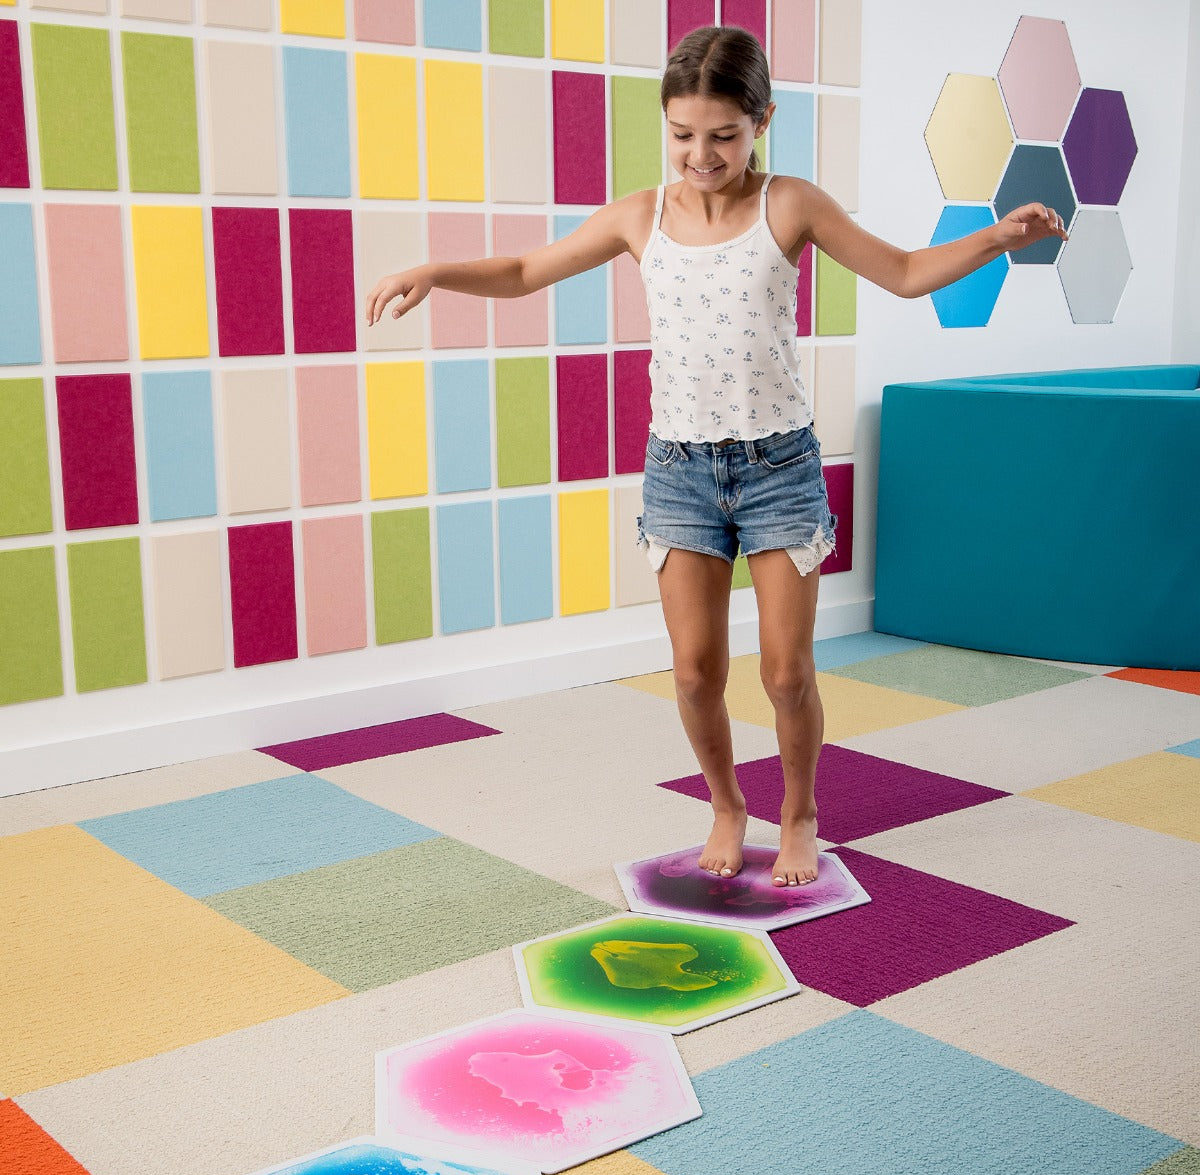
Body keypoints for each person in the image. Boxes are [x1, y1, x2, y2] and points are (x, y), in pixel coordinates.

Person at [365, 25, 1066, 888]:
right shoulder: (640, 216)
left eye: (724, 136)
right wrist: (437, 270)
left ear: (762, 122)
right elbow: (521, 271)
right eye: (684, 134)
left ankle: (799, 813)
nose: (702, 154)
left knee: (786, 671)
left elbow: (905, 271)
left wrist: (998, 237)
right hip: (681, 474)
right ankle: (727, 804)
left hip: (778, 470)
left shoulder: (789, 205)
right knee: (696, 673)